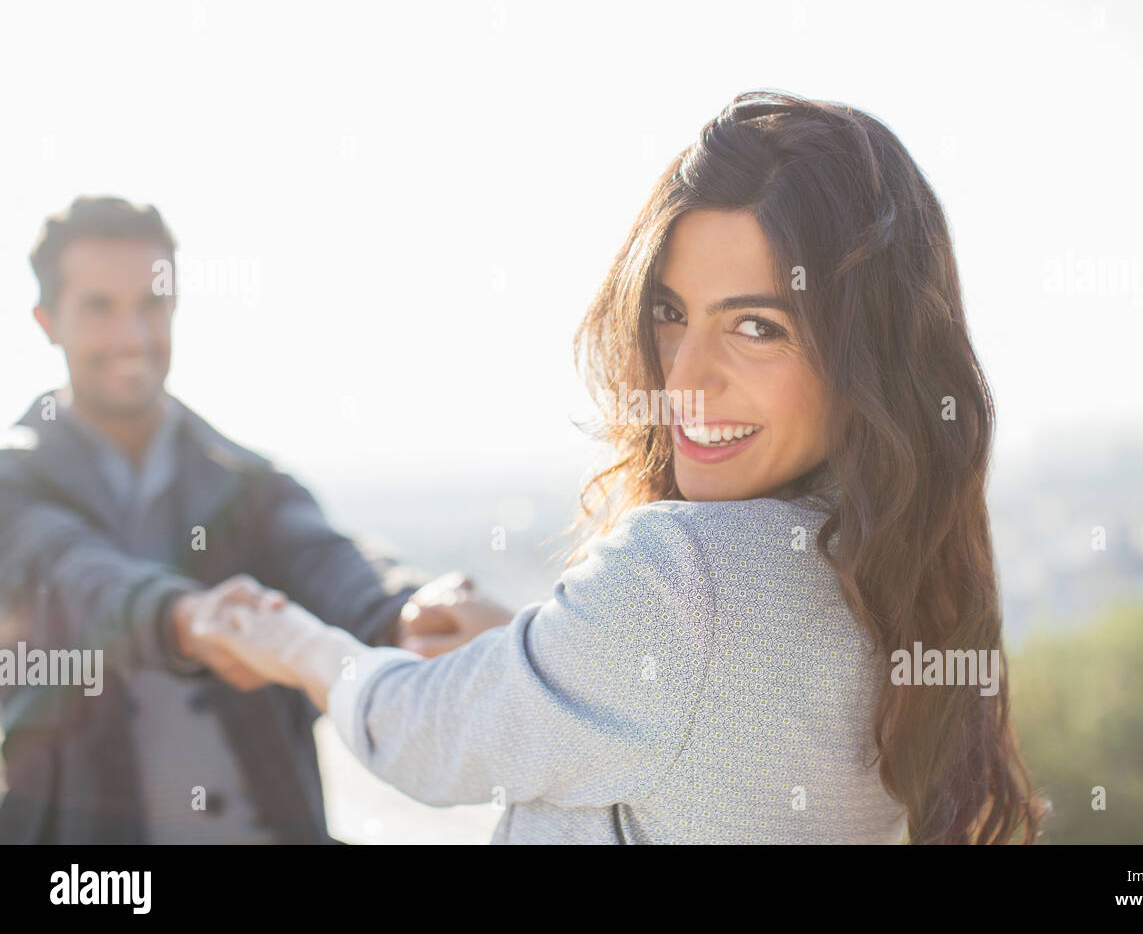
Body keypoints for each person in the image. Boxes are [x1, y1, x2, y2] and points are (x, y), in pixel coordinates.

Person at [185, 91, 1049, 843]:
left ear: (869, 353)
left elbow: (430, 738)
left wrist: (292, 646)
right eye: (672, 314)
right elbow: (694, 714)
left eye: (759, 327)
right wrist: (532, 648)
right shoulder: (889, 570)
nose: (685, 378)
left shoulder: (681, 570)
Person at [0, 197, 510, 843]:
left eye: (153, 305)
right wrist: (183, 618)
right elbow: (73, 576)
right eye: (100, 307)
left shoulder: (248, 483)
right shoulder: (12, 484)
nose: (133, 335)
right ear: (47, 321)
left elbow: (331, 564)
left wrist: (409, 609)